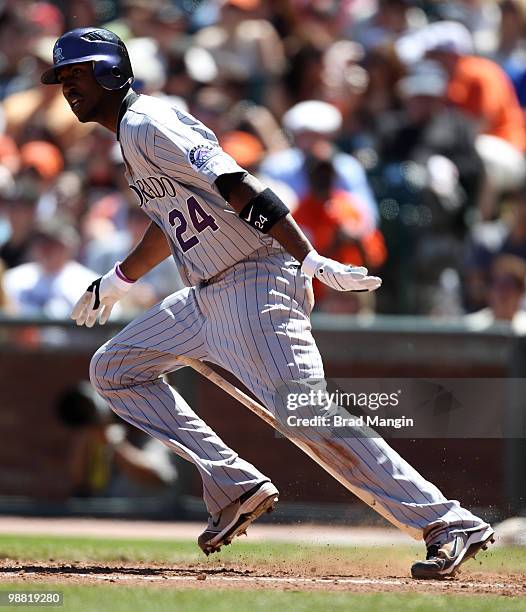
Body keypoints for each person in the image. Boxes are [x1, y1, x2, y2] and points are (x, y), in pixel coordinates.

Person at [42, 27, 494, 579]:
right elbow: (171, 221)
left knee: (305, 413)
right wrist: (116, 278)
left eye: (79, 72)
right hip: (206, 293)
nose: (68, 86)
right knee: (114, 368)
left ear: (112, 72)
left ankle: (447, 521)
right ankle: (234, 484)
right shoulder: (130, 136)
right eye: (62, 77)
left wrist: (307, 257)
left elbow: (235, 182)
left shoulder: (148, 122)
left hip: (254, 279)